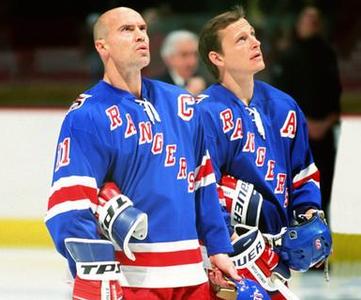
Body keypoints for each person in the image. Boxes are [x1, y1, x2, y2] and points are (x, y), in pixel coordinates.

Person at [44, 7, 241, 300]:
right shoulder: (88, 115)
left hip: (191, 274)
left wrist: (219, 248)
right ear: (102, 46)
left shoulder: (183, 104)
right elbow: (69, 204)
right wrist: (92, 270)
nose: (140, 36)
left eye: (142, 29)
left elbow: (204, 183)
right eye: (127, 30)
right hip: (131, 280)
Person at [197, 6, 331, 299]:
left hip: (275, 260)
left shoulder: (284, 106)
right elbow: (202, 187)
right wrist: (228, 242)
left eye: (253, 35)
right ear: (216, 58)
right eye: (241, 39)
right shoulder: (205, 113)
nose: (255, 42)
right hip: (227, 259)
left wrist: (310, 213)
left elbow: (303, 173)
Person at [272, 6, 342, 220]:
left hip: (325, 132)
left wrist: (328, 121)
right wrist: (306, 123)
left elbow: (336, 91)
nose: (312, 22)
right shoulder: (288, 55)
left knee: (326, 183)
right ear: (298, 22)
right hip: (296, 132)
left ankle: (323, 231)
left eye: (316, 18)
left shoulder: (328, 53)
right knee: (297, 185)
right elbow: (281, 96)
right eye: (307, 18)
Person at [158, 30, 207, 95]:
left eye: (195, 54)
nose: (192, 61)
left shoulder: (207, 84)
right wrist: (188, 95)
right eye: (184, 55)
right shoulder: (157, 87)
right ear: (168, 58)